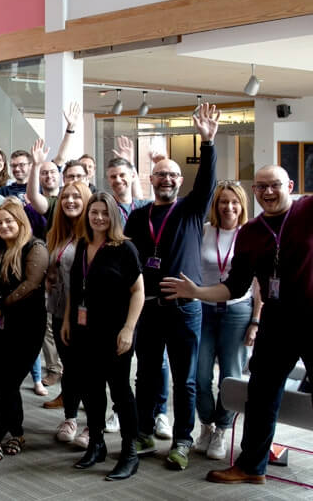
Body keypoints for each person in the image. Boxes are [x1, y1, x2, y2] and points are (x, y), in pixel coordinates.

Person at [161, 164, 311, 485]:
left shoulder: (306, 211)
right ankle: (251, 467)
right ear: (254, 191)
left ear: (291, 185)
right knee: (260, 396)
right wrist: (197, 291)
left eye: (275, 185)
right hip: (277, 321)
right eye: (261, 187)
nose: (268, 192)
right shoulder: (251, 232)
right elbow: (235, 286)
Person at [125, 102, 219, 470]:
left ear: (180, 181)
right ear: (151, 179)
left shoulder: (191, 209)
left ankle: (182, 439)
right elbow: (129, 261)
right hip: (148, 307)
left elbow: (207, 182)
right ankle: (145, 432)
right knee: (146, 375)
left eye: (173, 175)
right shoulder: (137, 216)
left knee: (186, 380)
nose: (166, 179)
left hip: (184, 308)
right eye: (160, 174)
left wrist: (207, 141)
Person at [63, 192, 145, 480]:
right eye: (94, 212)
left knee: (121, 393)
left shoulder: (124, 249)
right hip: (84, 331)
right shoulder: (83, 244)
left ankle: (129, 453)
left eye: (104, 213)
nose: (98, 217)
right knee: (91, 390)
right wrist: (68, 321)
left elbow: (138, 292)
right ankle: (96, 444)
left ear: (113, 216)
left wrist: (129, 328)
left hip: (115, 332)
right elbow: (76, 287)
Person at [193, 180, 261, 461]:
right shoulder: (204, 232)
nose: (228, 207)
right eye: (223, 201)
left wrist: (256, 321)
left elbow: (258, 282)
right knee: (199, 375)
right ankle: (206, 425)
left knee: (230, 376)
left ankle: (223, 428)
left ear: (242, 205)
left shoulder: (249, 234)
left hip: (237, 311)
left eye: (234, 202)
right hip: (204, 309)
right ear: (216, 204)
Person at [0, 198, 48, 463]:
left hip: (26, 327)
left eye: (9, 221)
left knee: (8, 382)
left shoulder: (35, 246)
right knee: (3, 383)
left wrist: (0, 306)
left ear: (21, 222)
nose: (4, 226)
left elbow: (30, 285)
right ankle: (17, 433)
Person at [43, 181, 92, 444]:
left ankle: (90, 425)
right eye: (65, 197)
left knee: (89, 370)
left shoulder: (93, 235)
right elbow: (55, 268)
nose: (70, 201)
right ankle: (70, 417)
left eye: (76, 197)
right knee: (70, 369)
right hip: (60, 312)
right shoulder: (58, 234)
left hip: (86, 315)